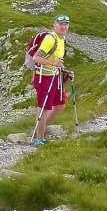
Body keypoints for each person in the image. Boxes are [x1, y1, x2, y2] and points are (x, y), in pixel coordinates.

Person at [31, 15, 73, 146]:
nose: (63, 26)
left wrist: (66, 71)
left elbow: (57, 61)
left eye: (66, 24)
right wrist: (54, 63)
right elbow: (36, 58)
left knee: (60, 105)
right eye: (61, 24)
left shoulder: (61, 39)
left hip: (55, 76)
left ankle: (40, 130)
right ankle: (38, 138)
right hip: (44, 77)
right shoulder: (50, 39)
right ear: (54, 25)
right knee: (43, 107)